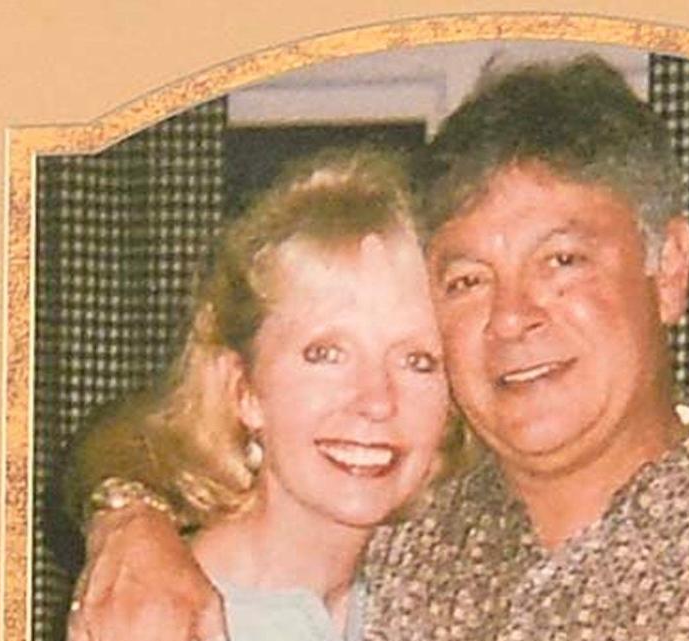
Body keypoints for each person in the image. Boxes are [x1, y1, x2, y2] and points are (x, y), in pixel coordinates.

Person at [66, 56, 689, 641]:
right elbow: (143, 431)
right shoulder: (416, 525)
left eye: (562, 261)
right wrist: (128, 516)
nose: (513, 317)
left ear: (668, 270)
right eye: (469, 279)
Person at [63, 148, 453, 641]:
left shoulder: (438, 597)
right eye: (326, 354)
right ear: (243, 388)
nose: (377, 400)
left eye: (417, 360)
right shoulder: (156, 618)